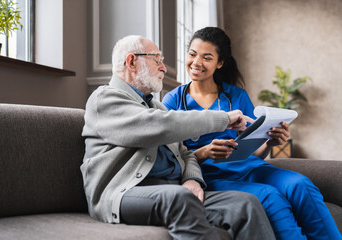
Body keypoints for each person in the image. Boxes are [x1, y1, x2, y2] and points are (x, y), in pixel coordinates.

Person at [80, 34, 277, 240]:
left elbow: (185, 153)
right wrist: (224, 119)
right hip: (122, 193)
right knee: (180, 198)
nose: (164, 68)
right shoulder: (104, 99)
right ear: (131, 62)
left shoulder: (156, 106)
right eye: (157, 59)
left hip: (172, 190)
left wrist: (192, 179)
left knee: (246, 204)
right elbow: (158, 126)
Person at [162, 26, 342, 240]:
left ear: (220, 63)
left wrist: (269, 143)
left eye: (206, 57)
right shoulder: (172, 101)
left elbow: (252, 151)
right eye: (192, 54)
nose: (196, 62)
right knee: (270, 196)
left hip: (250, 167)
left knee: (300, 185)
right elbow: (170, 158)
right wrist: (206, 152)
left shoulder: (236, 95)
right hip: (211, 176)